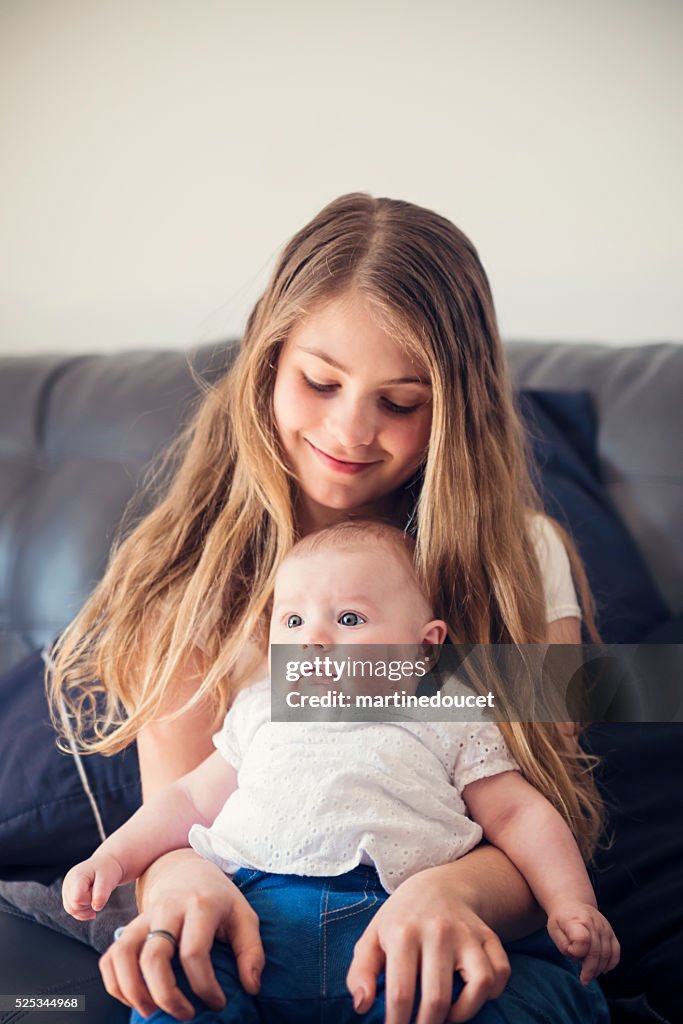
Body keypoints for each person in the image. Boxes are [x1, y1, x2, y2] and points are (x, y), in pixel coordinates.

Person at [47, 192, 609, 1024]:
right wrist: (179, 886)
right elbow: (180, 814)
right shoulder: (191, 582)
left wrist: (451, 892)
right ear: (268, 363)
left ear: (453, 409)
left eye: (401, 401)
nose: (350, 430)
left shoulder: (519, 562)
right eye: (320, 381)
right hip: (253, 938)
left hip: (453, 946)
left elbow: (540, 824)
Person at [62, 521, 618, 1023]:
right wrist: (111, 857)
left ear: (426, 646)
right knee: (177, 995)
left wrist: (571, 902)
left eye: (349, 618)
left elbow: (519, 812)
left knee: (458, 1001)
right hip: (251, 921)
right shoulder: (260, 710)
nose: (314, 639)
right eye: (294, 619)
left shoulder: (448, 714)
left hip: (398, 924)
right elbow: (186, 800)